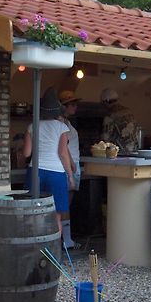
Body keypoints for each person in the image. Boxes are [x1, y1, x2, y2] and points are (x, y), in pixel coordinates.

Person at [23, 87, 74, 234]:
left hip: (35, 171)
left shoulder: (32, 126)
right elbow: (63, 153)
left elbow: (27, 153)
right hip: (56, 174)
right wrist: (70, 176)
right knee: (55, 217)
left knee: (33, 214)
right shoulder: (62, 127)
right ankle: (54, 253)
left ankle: (34, 249)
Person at [59, 89, 82, 249]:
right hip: (68, 167)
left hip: (70, 166)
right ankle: (66, 240)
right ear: (64, 106)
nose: (75, 107)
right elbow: (64, 148)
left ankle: (65, 239)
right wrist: (72, 166)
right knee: (65, 205)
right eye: (72, 104)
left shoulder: (66, 123)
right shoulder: (63, 123)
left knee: (65, 204)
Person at [101, 88, 139, 153]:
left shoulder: (110, 115)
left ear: (106, 102)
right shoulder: (129, 111)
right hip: (134, 150)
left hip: (119, 152)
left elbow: (105, 137)